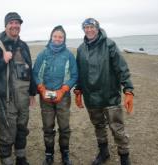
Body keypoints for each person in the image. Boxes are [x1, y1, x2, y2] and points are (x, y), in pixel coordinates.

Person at [0, 12, 36, 165]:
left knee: (22, 129)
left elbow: (30, 70)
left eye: (18, 23)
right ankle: (7, 161)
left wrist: (32, 93)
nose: (15, 25)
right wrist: (2, 61)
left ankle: (21, 158)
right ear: (6, 25)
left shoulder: (23, 46)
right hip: (6, 99)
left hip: (23, 98)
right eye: (12, 22)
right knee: (7, 134)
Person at [74, 18, 134, 165]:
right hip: (91, 97)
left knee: (117, 128)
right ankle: (103, 152)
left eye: (91, 27)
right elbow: (80, 72)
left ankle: (125, 158)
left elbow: (121, 68)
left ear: (98, 28)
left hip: (110, 96)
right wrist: (78, 90)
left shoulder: (109, 45)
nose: (89, 30)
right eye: (86, 27)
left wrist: (128, 89)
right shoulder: (81, 49)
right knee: (98, 126)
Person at [33, 25, 78, 165]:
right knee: (48, 127)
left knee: (64, 127)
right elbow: (35, 73)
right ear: (51, 37)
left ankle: (65, 154)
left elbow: (74, 75)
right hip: (45, 97)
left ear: (64, 39)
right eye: (55, 36)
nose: (57, 39)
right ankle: (49, 154)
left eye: (60, 37)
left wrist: (63, 90)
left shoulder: (69, 55)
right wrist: (41, 89)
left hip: (63, 97)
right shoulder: (43, 54)